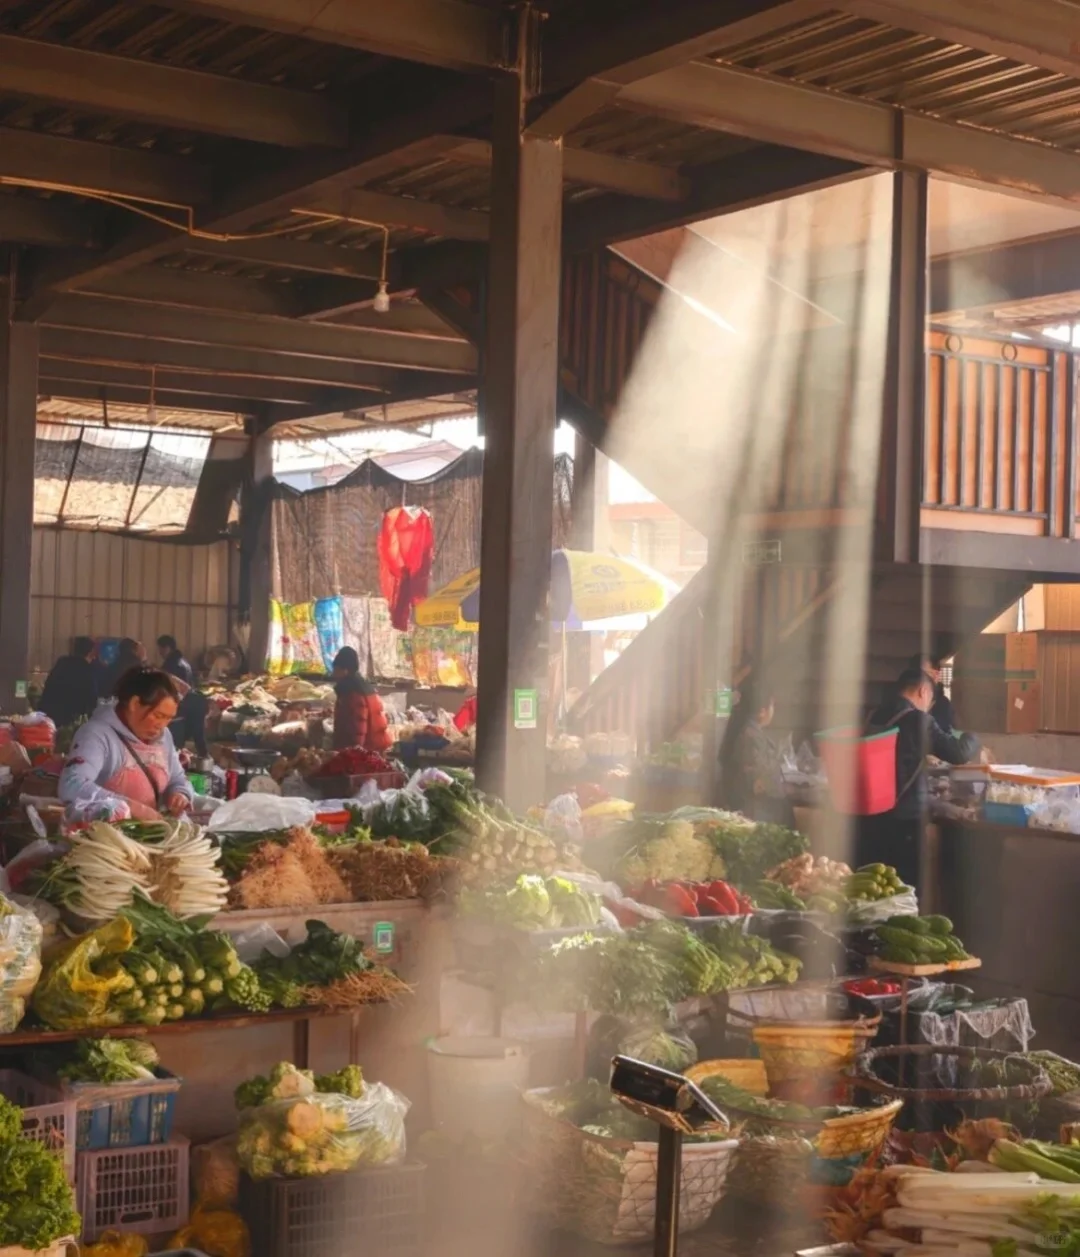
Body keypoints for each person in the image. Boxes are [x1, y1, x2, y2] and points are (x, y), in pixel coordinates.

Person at [859, 668, 980, 894]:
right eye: (930, 702)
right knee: (906, 889)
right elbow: (958, 753)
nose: (928, 708)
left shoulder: (873, 715)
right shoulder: (917, 719)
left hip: (871, 817)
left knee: (872, 888)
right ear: (923, 691)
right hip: (904, 821)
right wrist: (973, 735)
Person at [59, 668, 194, 822]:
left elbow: (177, 778)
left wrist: (180, 794)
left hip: (151, 835)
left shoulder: (164, 736)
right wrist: (129, 807)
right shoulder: (97, 734)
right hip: (107, 838)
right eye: (158, 716)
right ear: (135, 704)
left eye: (168, 718)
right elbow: (71, 784)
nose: (161, 726)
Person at [718, 686, 793, 825]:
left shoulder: (745, 730)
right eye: (772, 706)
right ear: (762, 711)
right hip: (753, 810)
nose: (773, 711)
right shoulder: (750, 736)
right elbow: (757, 781)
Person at [156, 634, 209, 756]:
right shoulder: (183, 662)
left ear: (167, 648)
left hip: (186, 704)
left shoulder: (172, 665)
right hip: (194, 702)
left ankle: (197, 759)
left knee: (182, 736)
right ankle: (203, 758)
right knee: (197, 735)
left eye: (160, 649)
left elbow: (174, 689)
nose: (160, 652)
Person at [331, 647, 391, 752]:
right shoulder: (364, 686)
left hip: (368, 751)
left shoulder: (353, 693)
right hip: (375, 747)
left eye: (336, 670)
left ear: (345, 670)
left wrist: (354, 755)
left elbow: (358, 729)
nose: (333, 674)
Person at [37, 636, 99, 729]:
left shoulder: (61, 663)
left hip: (50, 714)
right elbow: (91, 696)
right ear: (90, 652)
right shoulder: (86, 669)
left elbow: (48, 685)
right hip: (71, 718)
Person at [908, 653, 956, 733]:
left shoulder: (943, 705)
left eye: (923, 674)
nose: (916, 679)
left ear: (936, 675)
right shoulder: (899, 704)